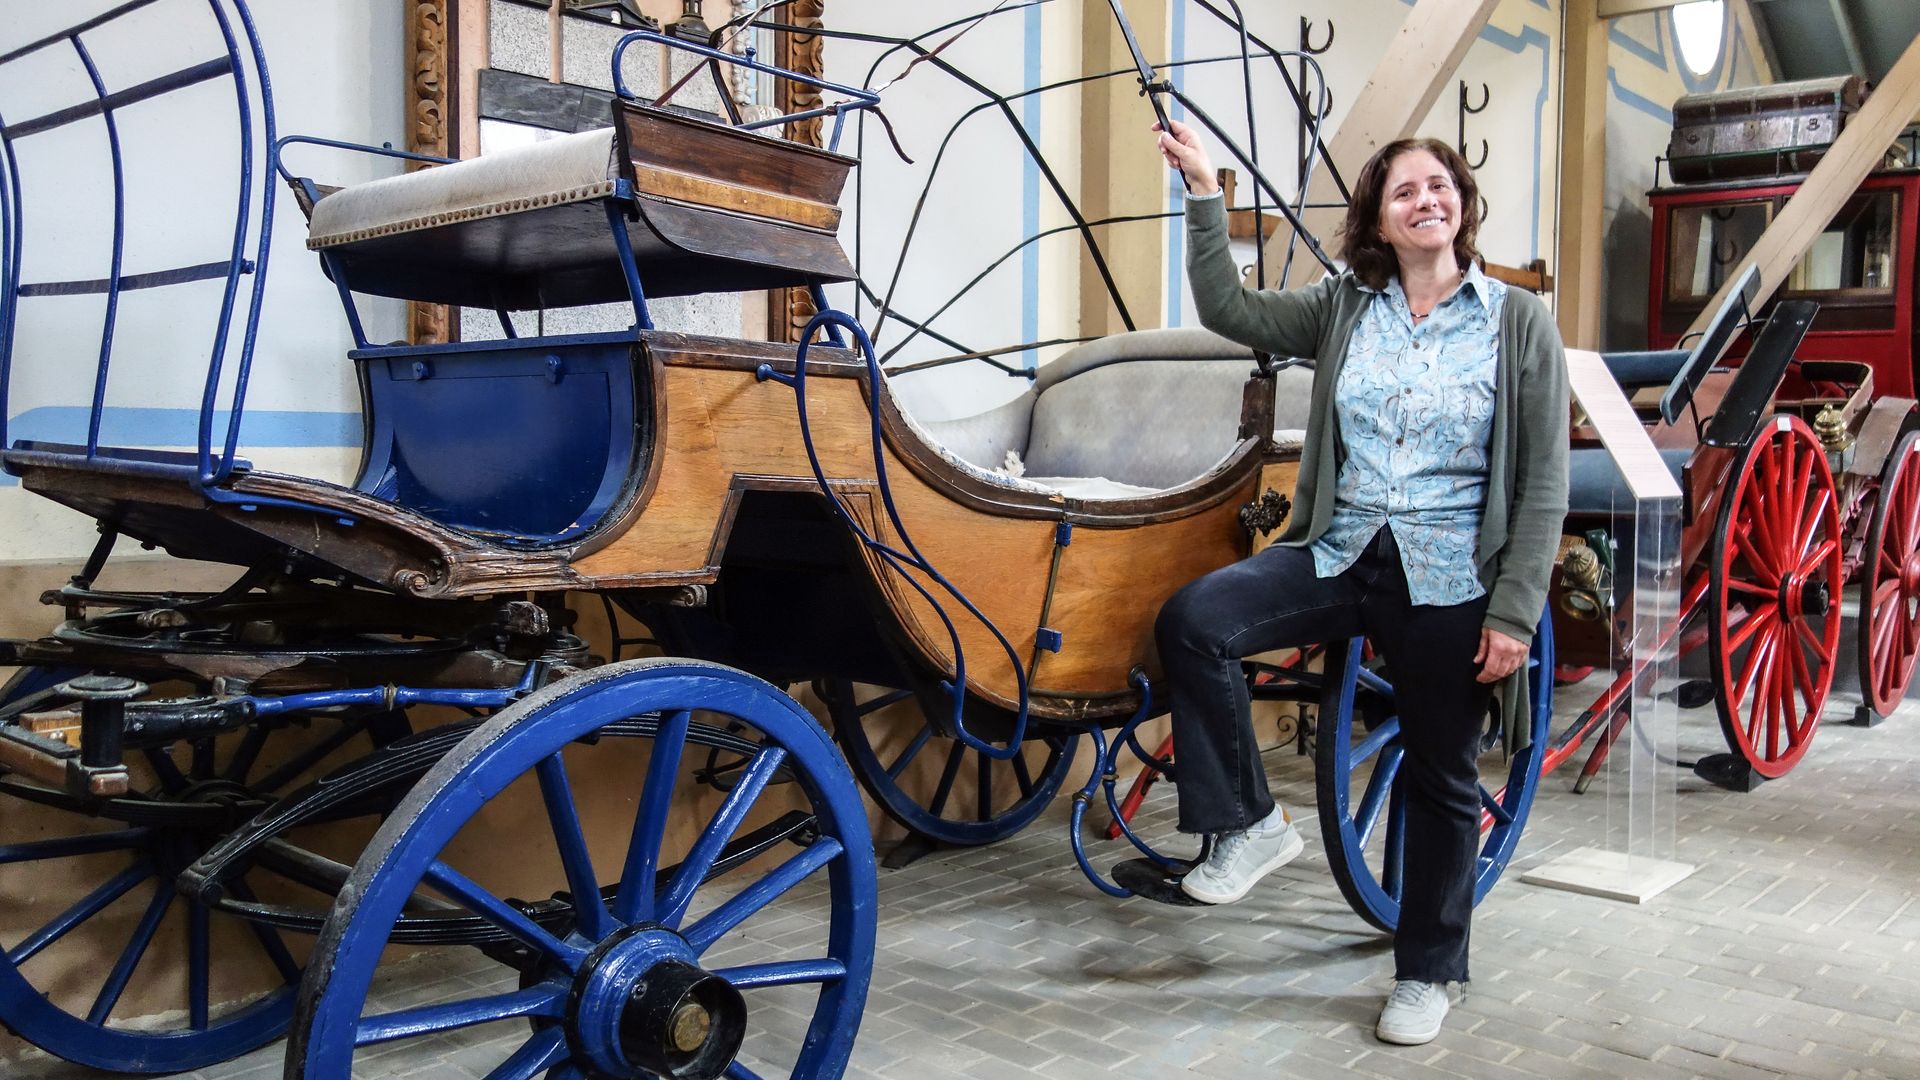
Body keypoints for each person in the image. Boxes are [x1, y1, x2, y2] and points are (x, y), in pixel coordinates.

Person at [1149, 119, 1568, 1046]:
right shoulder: (1347, 305)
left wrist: (1514, 611)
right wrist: (1206, 194)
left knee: (1442, 775)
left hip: (1451, 570)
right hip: (1341, 548)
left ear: (1461, 205)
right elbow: (1231, 311)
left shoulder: (1517, 321)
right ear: (1380, 219)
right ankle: (1251, 824)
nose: (1427, 200)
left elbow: (1544, 477)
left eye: (1440, 185)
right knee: (1197, 620)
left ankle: (1427, 971)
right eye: (1405, 190)